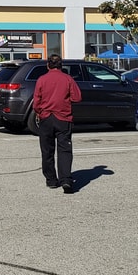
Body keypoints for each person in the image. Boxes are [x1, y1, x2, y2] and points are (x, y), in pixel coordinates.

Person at [32, 54, 82, 193]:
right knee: (64, 149)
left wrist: (39, 112)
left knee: (47, 150)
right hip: (63, 118)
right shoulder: (68, 79)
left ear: (48, 65)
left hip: (46, 118)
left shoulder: (42, 80)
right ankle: (65, 179)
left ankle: (51, 180)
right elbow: (77, 97)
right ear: (61, 65)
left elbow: (36, 102)